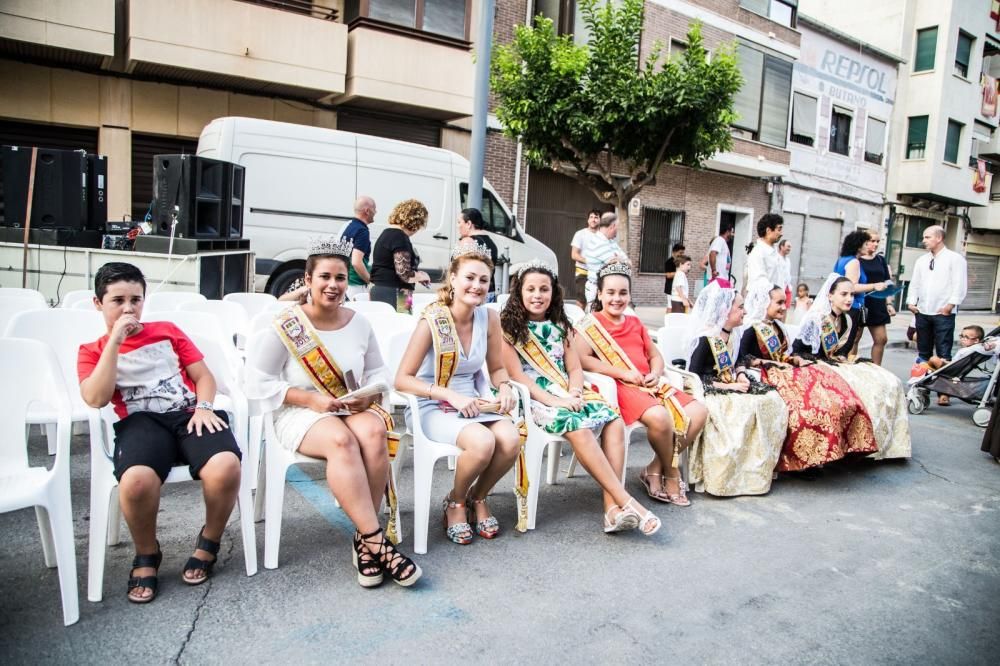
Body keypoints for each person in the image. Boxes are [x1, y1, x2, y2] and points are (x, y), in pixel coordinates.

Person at [245, 238, 421, 588]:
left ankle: (363, 540)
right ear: (307, 280)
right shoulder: (286, 326)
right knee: (342, 441)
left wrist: (366, 397)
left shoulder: (359, 323)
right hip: (299, 410)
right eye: (324, 276)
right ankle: (375, 540)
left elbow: (379, 374)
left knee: (373, 433)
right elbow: (256, 382)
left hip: (346, 403)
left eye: (340, 278)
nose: (333, 285)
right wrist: (310, 401)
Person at [78, 262, 242, 604]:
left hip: (187, 413)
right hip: (142, 423)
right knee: (136, 481)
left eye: (135, 300)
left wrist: (204, 407)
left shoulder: (167, 330)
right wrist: (114, 343)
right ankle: (147, 553)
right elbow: (96, 398)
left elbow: (204, 377)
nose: (128, 308)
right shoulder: (91, 351)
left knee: (226, 466)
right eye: (117, 300)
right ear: (98, 304)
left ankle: (209, 541)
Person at [500, 260, 658, 534]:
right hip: (534, 398)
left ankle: (611, 509)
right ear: (519, 293)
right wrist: (557, 401)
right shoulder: (508, 328)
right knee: (580, 428)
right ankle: (627, 501)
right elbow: (519, 377)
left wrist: (574, 391)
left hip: (566, 391)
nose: (538, 295)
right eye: (531, 289)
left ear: (553, 293)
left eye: (544, 289)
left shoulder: (562, 325)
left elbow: (574, 368)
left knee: (614, 421)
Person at [394, 245, 522, 544]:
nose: (476, 286)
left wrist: (504, 387)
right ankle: (455, 503)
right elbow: (401, 379)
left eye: (483, 281)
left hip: (474, 402)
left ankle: (476, 497)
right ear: (452, 279)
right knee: (482, 442)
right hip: (432, 403)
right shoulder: (433, 319)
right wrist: (449, 396)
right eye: (470, 278)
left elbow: (498, 368)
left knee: (511, 439)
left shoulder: (489, 318)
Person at [574, 262, 707, 507]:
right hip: (619, 387)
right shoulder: (590, 325)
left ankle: (655, 467)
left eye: (623, 293)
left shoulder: (634, 323)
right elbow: (581, 360)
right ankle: (672, 473)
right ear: (600, 294)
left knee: (699, 411)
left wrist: (656, 373)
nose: (617, 298)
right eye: (611, 293)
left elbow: (655, 356)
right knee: (659, 417)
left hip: (649, 383)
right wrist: (622, 373)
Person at [739, 282, 877, 473]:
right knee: (804, 408)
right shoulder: (751, 329)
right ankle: (803, 459)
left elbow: (784, 353)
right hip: (768, 374)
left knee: (824, 399)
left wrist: (793, 359)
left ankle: (829, 451)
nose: (784, 306)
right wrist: (766, 363)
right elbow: (742, 358)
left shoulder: (777, 326)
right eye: (779, 302)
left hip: (787, 370)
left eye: (784, 302)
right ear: (764, 303)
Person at [792, 274, 911, 460]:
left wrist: (840, 359)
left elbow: (843, 351)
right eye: (844, 294)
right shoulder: (816, 319)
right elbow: (798, 351)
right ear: (830, 296)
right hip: (813, 367)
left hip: (836, 365)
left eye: (852, 295)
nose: (849, 299)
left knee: (887, 381)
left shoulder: (847, 320)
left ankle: (879, 443)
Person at [683, 283, 787, 496]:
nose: (745, 311)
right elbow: (694, 377)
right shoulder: (706, 338)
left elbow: (737, 360)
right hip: (711, 389)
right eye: (740, 307)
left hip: (731, 384)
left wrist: (740, 374)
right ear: (724, 311)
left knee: (770, 401)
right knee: (737, 411)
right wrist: (729, 386)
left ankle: (752, 472)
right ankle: (724, 475)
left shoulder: (732, 334)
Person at [906, 225, 968, 367]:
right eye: (924, 237)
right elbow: (915, 283)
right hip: (922, 312)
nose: (924, 241)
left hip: (943, 313)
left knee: (943, 352)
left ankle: (942, 386)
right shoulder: (922, 260)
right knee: (923, 352)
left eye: (927, 237)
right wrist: (911, 303)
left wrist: (950, 305)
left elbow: (960, 284)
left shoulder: (955, 259)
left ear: (939, 238)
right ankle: (922, 383)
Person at [370, 199, 431, 313]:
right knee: (402, 325)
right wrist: (422, 276)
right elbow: (404, 274)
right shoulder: (400, 237)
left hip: (380, 289)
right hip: (396, 293)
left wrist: (417, 275)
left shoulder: (386, 233)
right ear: (416, 221)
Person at [834, 229, 888, 333]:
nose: (868, 246)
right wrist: (875, 286)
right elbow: (852, 287)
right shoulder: (854, 262)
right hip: (852, 306)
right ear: (858, 246)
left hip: (841, 305)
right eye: (866, 244)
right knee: (849, 343)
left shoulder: (842, 259)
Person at [857, 230, 896, 366]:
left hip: (878, 303)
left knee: (881, 339)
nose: (875, 244)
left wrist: (889, 303)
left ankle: (876, 368)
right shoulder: (856, 260)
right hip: (861, 302)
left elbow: (887, 282)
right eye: (872, 241)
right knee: (854, 339)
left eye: (878, 241)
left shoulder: (880, 259)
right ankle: (850, 368)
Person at [583, 212, 627, 305]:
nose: (617, 231)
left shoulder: (611, 241)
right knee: (597, 318)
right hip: (597, 290)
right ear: (612, 226)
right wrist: (619, 260)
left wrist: (619, 260)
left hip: (607, 289)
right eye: (617, 228)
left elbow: (627, 263)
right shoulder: (598, 242)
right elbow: (617, 265)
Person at [457, 207, 500, 301]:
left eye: (459, 222)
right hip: (489, 292)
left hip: (472, 294)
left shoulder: (468, 241)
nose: (458, 226)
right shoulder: (491, 243)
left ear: (468, 224)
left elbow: (461, 269)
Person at [340, 196, 377, 299]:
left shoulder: (348, 226)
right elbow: (356, 262)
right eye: (374, 209)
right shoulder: (362, 231)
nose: (376, 212)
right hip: (356, 286)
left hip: (346, 282)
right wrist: (370, 281)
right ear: (367, 211)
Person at [571, 209, 602, 308]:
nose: (593, 220)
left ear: (600, 220)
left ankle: (593, 323)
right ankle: (579, 322)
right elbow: (574, 255)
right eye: (591, 217)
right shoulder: (580, 234)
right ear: (588, 220)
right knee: (582, 301)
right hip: (583, 273)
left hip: (598, 274)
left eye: (596, 217)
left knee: (597, 303)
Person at [745, 213, 785, 292]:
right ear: (768, 230)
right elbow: (759, 282)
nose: (781, 233)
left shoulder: (775, 252)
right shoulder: (758, 253)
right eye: (779, 229)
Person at [663, 242, 686, 313]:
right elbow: (668, 275)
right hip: (670, 287)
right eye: (680, 252)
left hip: (677, 287)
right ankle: (667, 323)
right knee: (670, 306)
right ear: (674, 252)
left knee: (675, 306)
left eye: (683, 253)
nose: (682, 255)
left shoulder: (680, 262)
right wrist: (679, 272)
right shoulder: (669, 262)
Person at [777, 239, 793, 305]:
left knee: (786, 309)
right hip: (778, 288)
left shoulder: (788, 260)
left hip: (787, 288)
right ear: (781, 247)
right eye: (788, 246)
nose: (789, 248)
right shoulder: (776, 258)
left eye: (790, 247)